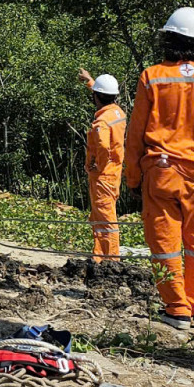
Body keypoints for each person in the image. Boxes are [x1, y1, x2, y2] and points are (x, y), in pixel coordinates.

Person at [123, 7, 194, 331]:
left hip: (161, 173)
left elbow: (136, 133)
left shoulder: (152, 76)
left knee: (165, 245)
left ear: (169, 39)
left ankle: (176, 310)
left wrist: (132, 177)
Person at [79, 71, 126, 264]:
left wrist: (97, 165)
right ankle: (99, 256)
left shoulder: (102, 122)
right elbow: (104, 96)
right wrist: (90, 81)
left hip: (103, 176)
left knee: (105, 220)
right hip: (113, 173)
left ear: (97, 97)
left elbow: (103, 146)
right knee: (99, 216)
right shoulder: (117, 113)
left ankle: (111, 260)